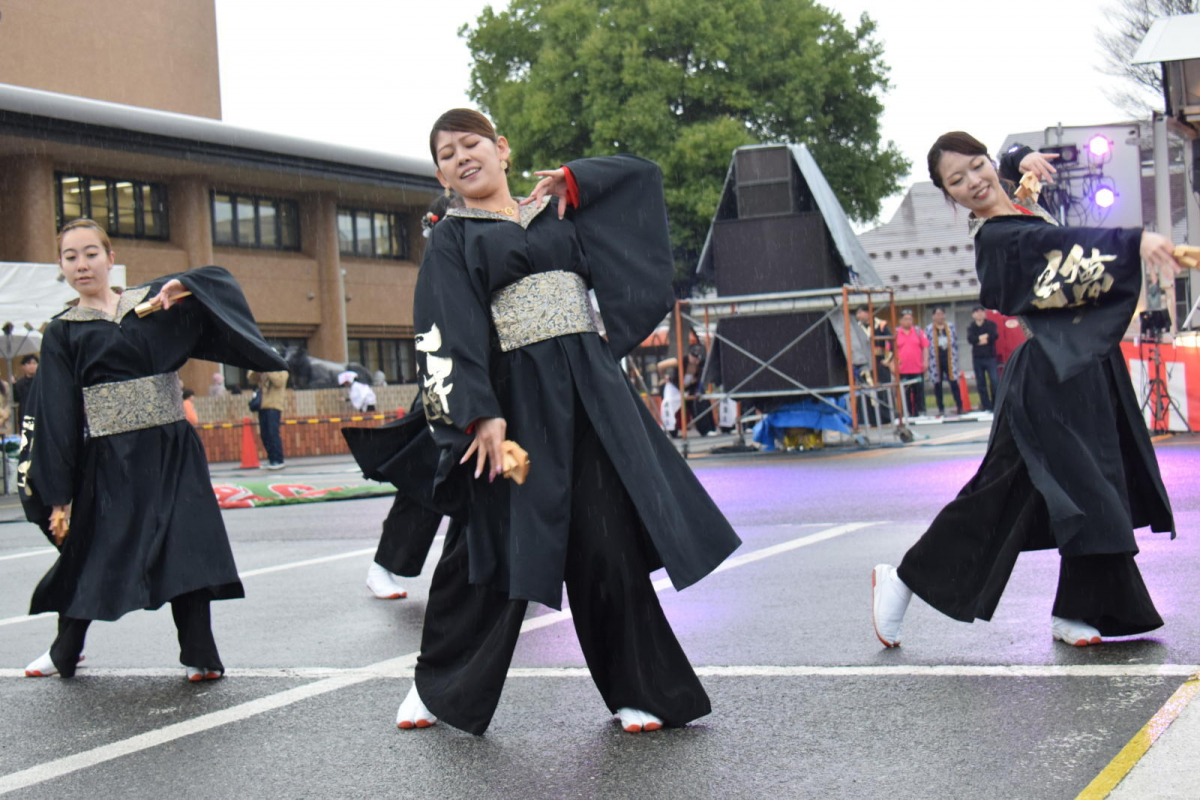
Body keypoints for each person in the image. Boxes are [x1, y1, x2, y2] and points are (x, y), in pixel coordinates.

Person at [389, 108, 740, 735]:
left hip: (590, 401)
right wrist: (478, 416)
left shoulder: (557, 214)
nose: (461, 157)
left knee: (606, 543)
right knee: (490, 545)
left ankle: (641, 688)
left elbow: (640, 180)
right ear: (441, 173)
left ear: (502, 148)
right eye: (446, 154)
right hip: (513, 412)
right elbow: (443, 328)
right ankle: (439, 685)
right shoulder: (453, 236)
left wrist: (574, 180)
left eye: (472, 143)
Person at [872, 132, 1180, 649]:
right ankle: (902, 581)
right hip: (1046, 381)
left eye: (977, 166)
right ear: (949, 195)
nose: (973, 181)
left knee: (1091, 490)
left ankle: (1076, 610)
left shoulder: (1019, 203)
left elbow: (1020, 173)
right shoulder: (997, 239)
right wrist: (1132, 243)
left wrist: (1019, 157)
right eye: (957, 180)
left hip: (1083, 369)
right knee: (1019, 495)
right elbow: (1052, 248)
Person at [17, 219, 288, 680]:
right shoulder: (63, 330)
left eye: (90, 253)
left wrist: (185, 284)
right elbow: (58, 413)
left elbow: (219, 282)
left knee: (187, 545)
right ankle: (66, 649)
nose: (82, 264)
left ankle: (201, 654)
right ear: (60, 266)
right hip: (110, 459)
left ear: (110, 258)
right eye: (70, 257)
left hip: (172, 449)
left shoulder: (153, 303)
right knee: (95, 549)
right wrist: (59, 492)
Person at [855, 305, 894, 424]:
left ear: (867, 313)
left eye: (860, 312)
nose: (858, 316)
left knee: (882, 389)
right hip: (864, 362)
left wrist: (887, 360)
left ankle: (884, 417)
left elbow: (891, 342)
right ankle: (868, 418)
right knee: (866, 390)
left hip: (879, 361)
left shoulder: (880, 325)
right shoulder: (857, 327)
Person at [248, 367, 289, 470]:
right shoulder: (265, 373)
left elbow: (279, 382)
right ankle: (271, 459)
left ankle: (278, 459)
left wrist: (268, 369)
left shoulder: (282, 371)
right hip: (263, 406)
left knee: (272, 433)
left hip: (274, 406)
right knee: (264, 434)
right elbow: (251, 378)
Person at [925, 307, 963, 416]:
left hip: (949, 358)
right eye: (937, 314)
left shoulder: (950, 327)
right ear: (933, 316)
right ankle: (940, 408)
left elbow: (955, 341)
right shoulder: (929, 329)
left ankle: (959, 406)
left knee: (954, 383)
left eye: (941, 314)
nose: (939, 316)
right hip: (935, 360)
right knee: (937, 384)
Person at [894, 310, 928, 417]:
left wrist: (926, 361)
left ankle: (920, 412)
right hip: (902, 369)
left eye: (910, 319)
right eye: (905, 319)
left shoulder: (918, 332)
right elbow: (890, 351)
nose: (908, 321)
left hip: (917, 368)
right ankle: (906, 413)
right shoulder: (895, 333)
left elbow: (925, 347)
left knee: (919, 392)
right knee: (905, 394)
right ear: (900, 321)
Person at [966, 305, 1000, 412]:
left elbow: (994, 336)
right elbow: (971, 339)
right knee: (981, 383)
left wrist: (980, 339)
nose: (979, 313)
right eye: (977, 311)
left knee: (994, 381)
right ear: (973, 314)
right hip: (977, 358)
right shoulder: (971, 327)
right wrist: (982, 338)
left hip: (990, 357)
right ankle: (986, 406)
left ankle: (996, 405)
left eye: (981, 311)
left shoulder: (991, 325)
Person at [12, 354, 38, 430]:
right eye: (29, 363)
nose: (32, 366)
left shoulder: (41, 382)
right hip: (25, 414)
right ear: (23, 366)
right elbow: (15, 399)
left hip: (39, 413)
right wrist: (13, 386)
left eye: (34, 363)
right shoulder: (19, 383)